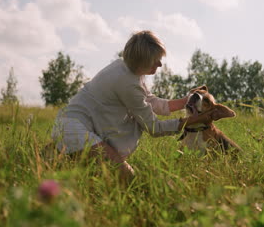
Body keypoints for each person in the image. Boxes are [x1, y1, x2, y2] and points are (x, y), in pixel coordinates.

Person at [51, 30, 219, 181]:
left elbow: (150, 101)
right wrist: (192, 121)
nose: (160, 65)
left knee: (76, 175)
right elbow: (154, 128)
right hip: (75, 130)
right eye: (156, 61)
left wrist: (185, 101)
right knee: (128, 177)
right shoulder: (128, 83)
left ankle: (50, 155)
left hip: (71, 125)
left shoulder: (124, 68)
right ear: (142, 61)